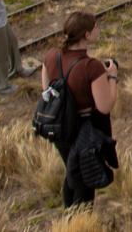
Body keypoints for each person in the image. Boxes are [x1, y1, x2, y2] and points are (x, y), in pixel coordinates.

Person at [42, 11, 118, 207]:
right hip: (83, 129)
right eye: (95, 27)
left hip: (59, 127)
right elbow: (105, 106)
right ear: (86, 35)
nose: (98, 30)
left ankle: (69, 215)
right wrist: (112, 77)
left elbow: (46, 90)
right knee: (85, 180)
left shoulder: (51, 56)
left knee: (71, 170)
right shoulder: (91, 67)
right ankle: (80, 221)